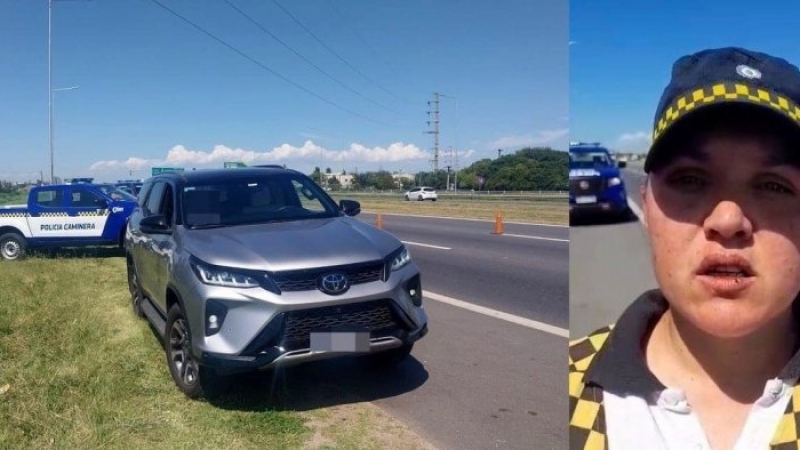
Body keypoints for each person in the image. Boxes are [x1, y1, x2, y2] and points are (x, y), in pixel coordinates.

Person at [569, 47, 800, 450]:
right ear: (647, 205)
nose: (728, 220)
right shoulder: (572, 382)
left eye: (773, 185)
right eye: (690, 180)